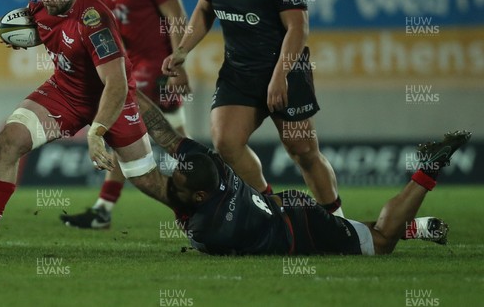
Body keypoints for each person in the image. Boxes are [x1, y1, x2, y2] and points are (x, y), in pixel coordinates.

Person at [0, 0, 171, 255]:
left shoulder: (95, 21)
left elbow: (115, 82)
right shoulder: (38, 2)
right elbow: (47, 28)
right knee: (10, 140)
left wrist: (96, 131)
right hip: (66, 92)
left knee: (146, 179)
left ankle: (197, 217)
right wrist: (24, 37)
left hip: (110, 98)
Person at [162, 0, 342, 215]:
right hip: (238, 73)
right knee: (226, 142)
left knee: (303, 152)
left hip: (285, 73)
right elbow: (205, 11)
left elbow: (299, 29)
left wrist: (279, 75)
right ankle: (271, 210)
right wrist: (182, 50)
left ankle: (337, 221)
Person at [132, 92, 468, 254]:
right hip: (290, 209)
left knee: (381, 244)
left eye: (177, 185)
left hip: (299, 229)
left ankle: (428, 170)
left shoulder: (208, 231)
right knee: (354, 231)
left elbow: (161, 187)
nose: (171, 186)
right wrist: (127, 89)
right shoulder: (213, 165)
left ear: (201, 197)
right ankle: (417, 227)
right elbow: (165, 133)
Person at [60, 0, 192, 229]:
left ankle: (105, 208)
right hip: (130, 67)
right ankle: (212, 190)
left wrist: (178, 65)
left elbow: (176, 17)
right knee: (176, 139)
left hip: (156, 68)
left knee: (128, 133)